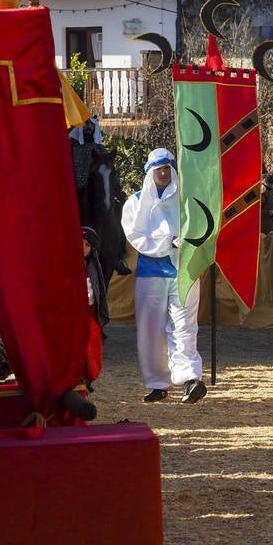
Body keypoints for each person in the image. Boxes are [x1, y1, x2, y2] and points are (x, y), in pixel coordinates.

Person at [121, 148, 206, 404]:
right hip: (150, 273)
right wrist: (168, 242)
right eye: (158, 168)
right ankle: (157, 382)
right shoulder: (135, 203)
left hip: (184, 270)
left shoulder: (187, 200)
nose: (163, 172)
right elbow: (136, 237)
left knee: (184, 325)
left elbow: (201, 226)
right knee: (150, 328)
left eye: (167, 167)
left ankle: (190, 378)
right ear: (149, 171)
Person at [81, 226, 109, 386]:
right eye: (79, 243)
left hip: (89, 311)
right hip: (73, 314)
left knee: (93, 338)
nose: (82, 248)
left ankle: (88, 377)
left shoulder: (93, 265)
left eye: (87, 245)